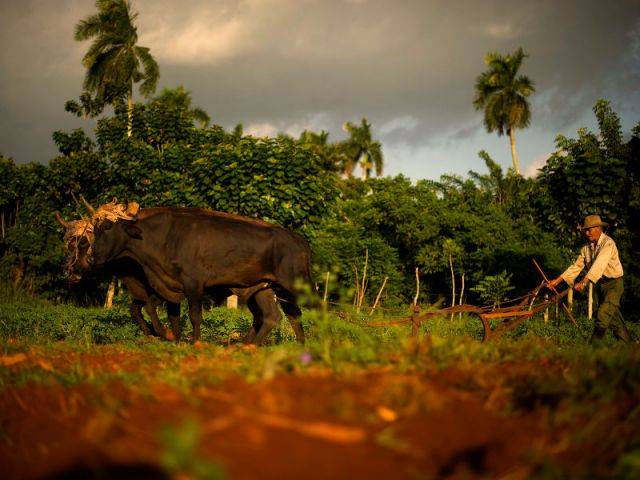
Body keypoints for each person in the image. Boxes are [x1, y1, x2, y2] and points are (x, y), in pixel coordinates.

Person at [548, 214, 630, 342]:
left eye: (589, 230)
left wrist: (584, 282)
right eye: (586, 230)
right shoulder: (586, 249)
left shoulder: (608, 244)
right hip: (600, 285)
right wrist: (556, 281)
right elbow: (576, 266)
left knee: (603, 315)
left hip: (614, 284)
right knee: (613, 317)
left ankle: (593, 347)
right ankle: (629, 347)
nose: (587, 233)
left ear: (598, 228)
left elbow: (599, 265)